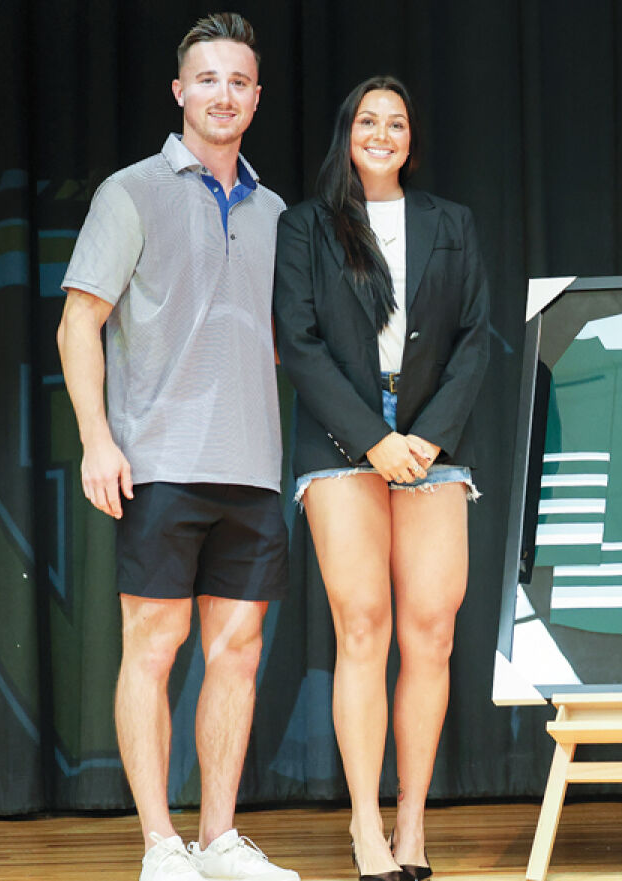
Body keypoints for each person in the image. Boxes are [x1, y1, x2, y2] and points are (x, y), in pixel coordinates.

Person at [56, 13, 297, 881]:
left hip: (252, 469)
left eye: (239, 81)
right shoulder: (131, 192)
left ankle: (221, 838)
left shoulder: (274, 210)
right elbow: (79, 320)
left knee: (236, 657)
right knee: (152, 654)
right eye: (208, 79)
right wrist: (96, 439)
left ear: (257, 97)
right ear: (179, 91)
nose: (223, 94)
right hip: (157, 462)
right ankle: (162, 844)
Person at [272, 75, 490, 881]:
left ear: (411, 140)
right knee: (363, 624)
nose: (383, 132)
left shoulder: (452, 224)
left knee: (430, 630)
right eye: (369, 119)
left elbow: (474, 338)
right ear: (347, 132)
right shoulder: (306, 227)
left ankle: (411, 822)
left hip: (434, 439)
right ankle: (364, 823)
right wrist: (372, 440)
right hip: (341, 438)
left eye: (397, 121)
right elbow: (299, 343)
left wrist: (425, 436)